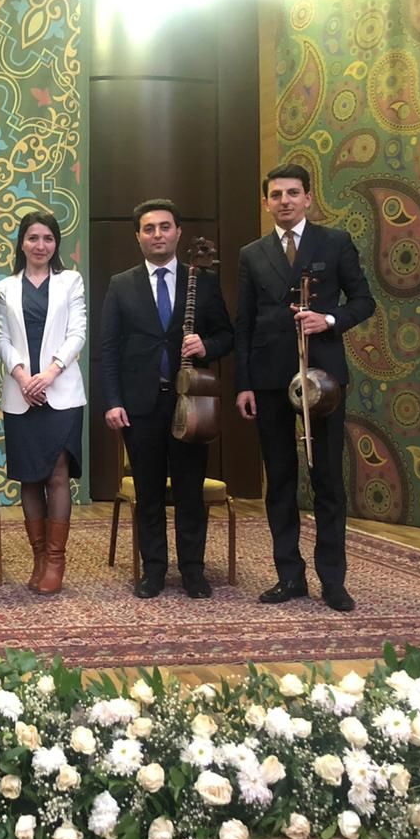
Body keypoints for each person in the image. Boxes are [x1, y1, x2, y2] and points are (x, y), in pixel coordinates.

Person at [235, 163, 376, 612]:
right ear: (265, 202)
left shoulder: (334, 242)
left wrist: (329, 319)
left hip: (323, 379)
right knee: (279, 479)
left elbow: (364, 301)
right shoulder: (252, 254)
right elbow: (244, 324)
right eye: (276, 195)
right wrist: (244, 384)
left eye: (293, 193)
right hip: (270, 378)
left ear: (309, 198)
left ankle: (333, 581)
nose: (285, 201)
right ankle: (289, 576)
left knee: (327, 479)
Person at [101, 199, 233, 600]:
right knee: (149, 492)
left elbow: (227, 335)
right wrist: (113, 401)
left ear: (177, 232)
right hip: (140, 404)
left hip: (189, 404)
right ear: (138, 236)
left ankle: (193, 570)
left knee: (190, 490)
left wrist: (206, 345)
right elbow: (109, 349)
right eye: (149, 228)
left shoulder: (202, 281)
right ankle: (154, 570)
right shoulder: (121, 284)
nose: (157, 234)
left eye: (164, 227)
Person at [0, 211, 86, 595]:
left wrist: (49, 374)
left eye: (48, 238)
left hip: (61, 392)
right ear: (21, 242)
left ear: (56, 243)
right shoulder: (5, 287)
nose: (40, 245)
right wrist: (22, 377)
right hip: (20, 394)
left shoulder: (71, 281)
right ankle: (37, 558)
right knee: (29, 478)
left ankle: (55, 560)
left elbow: (77, 333)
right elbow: (1, 338)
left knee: (57, 474)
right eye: (33, 238)